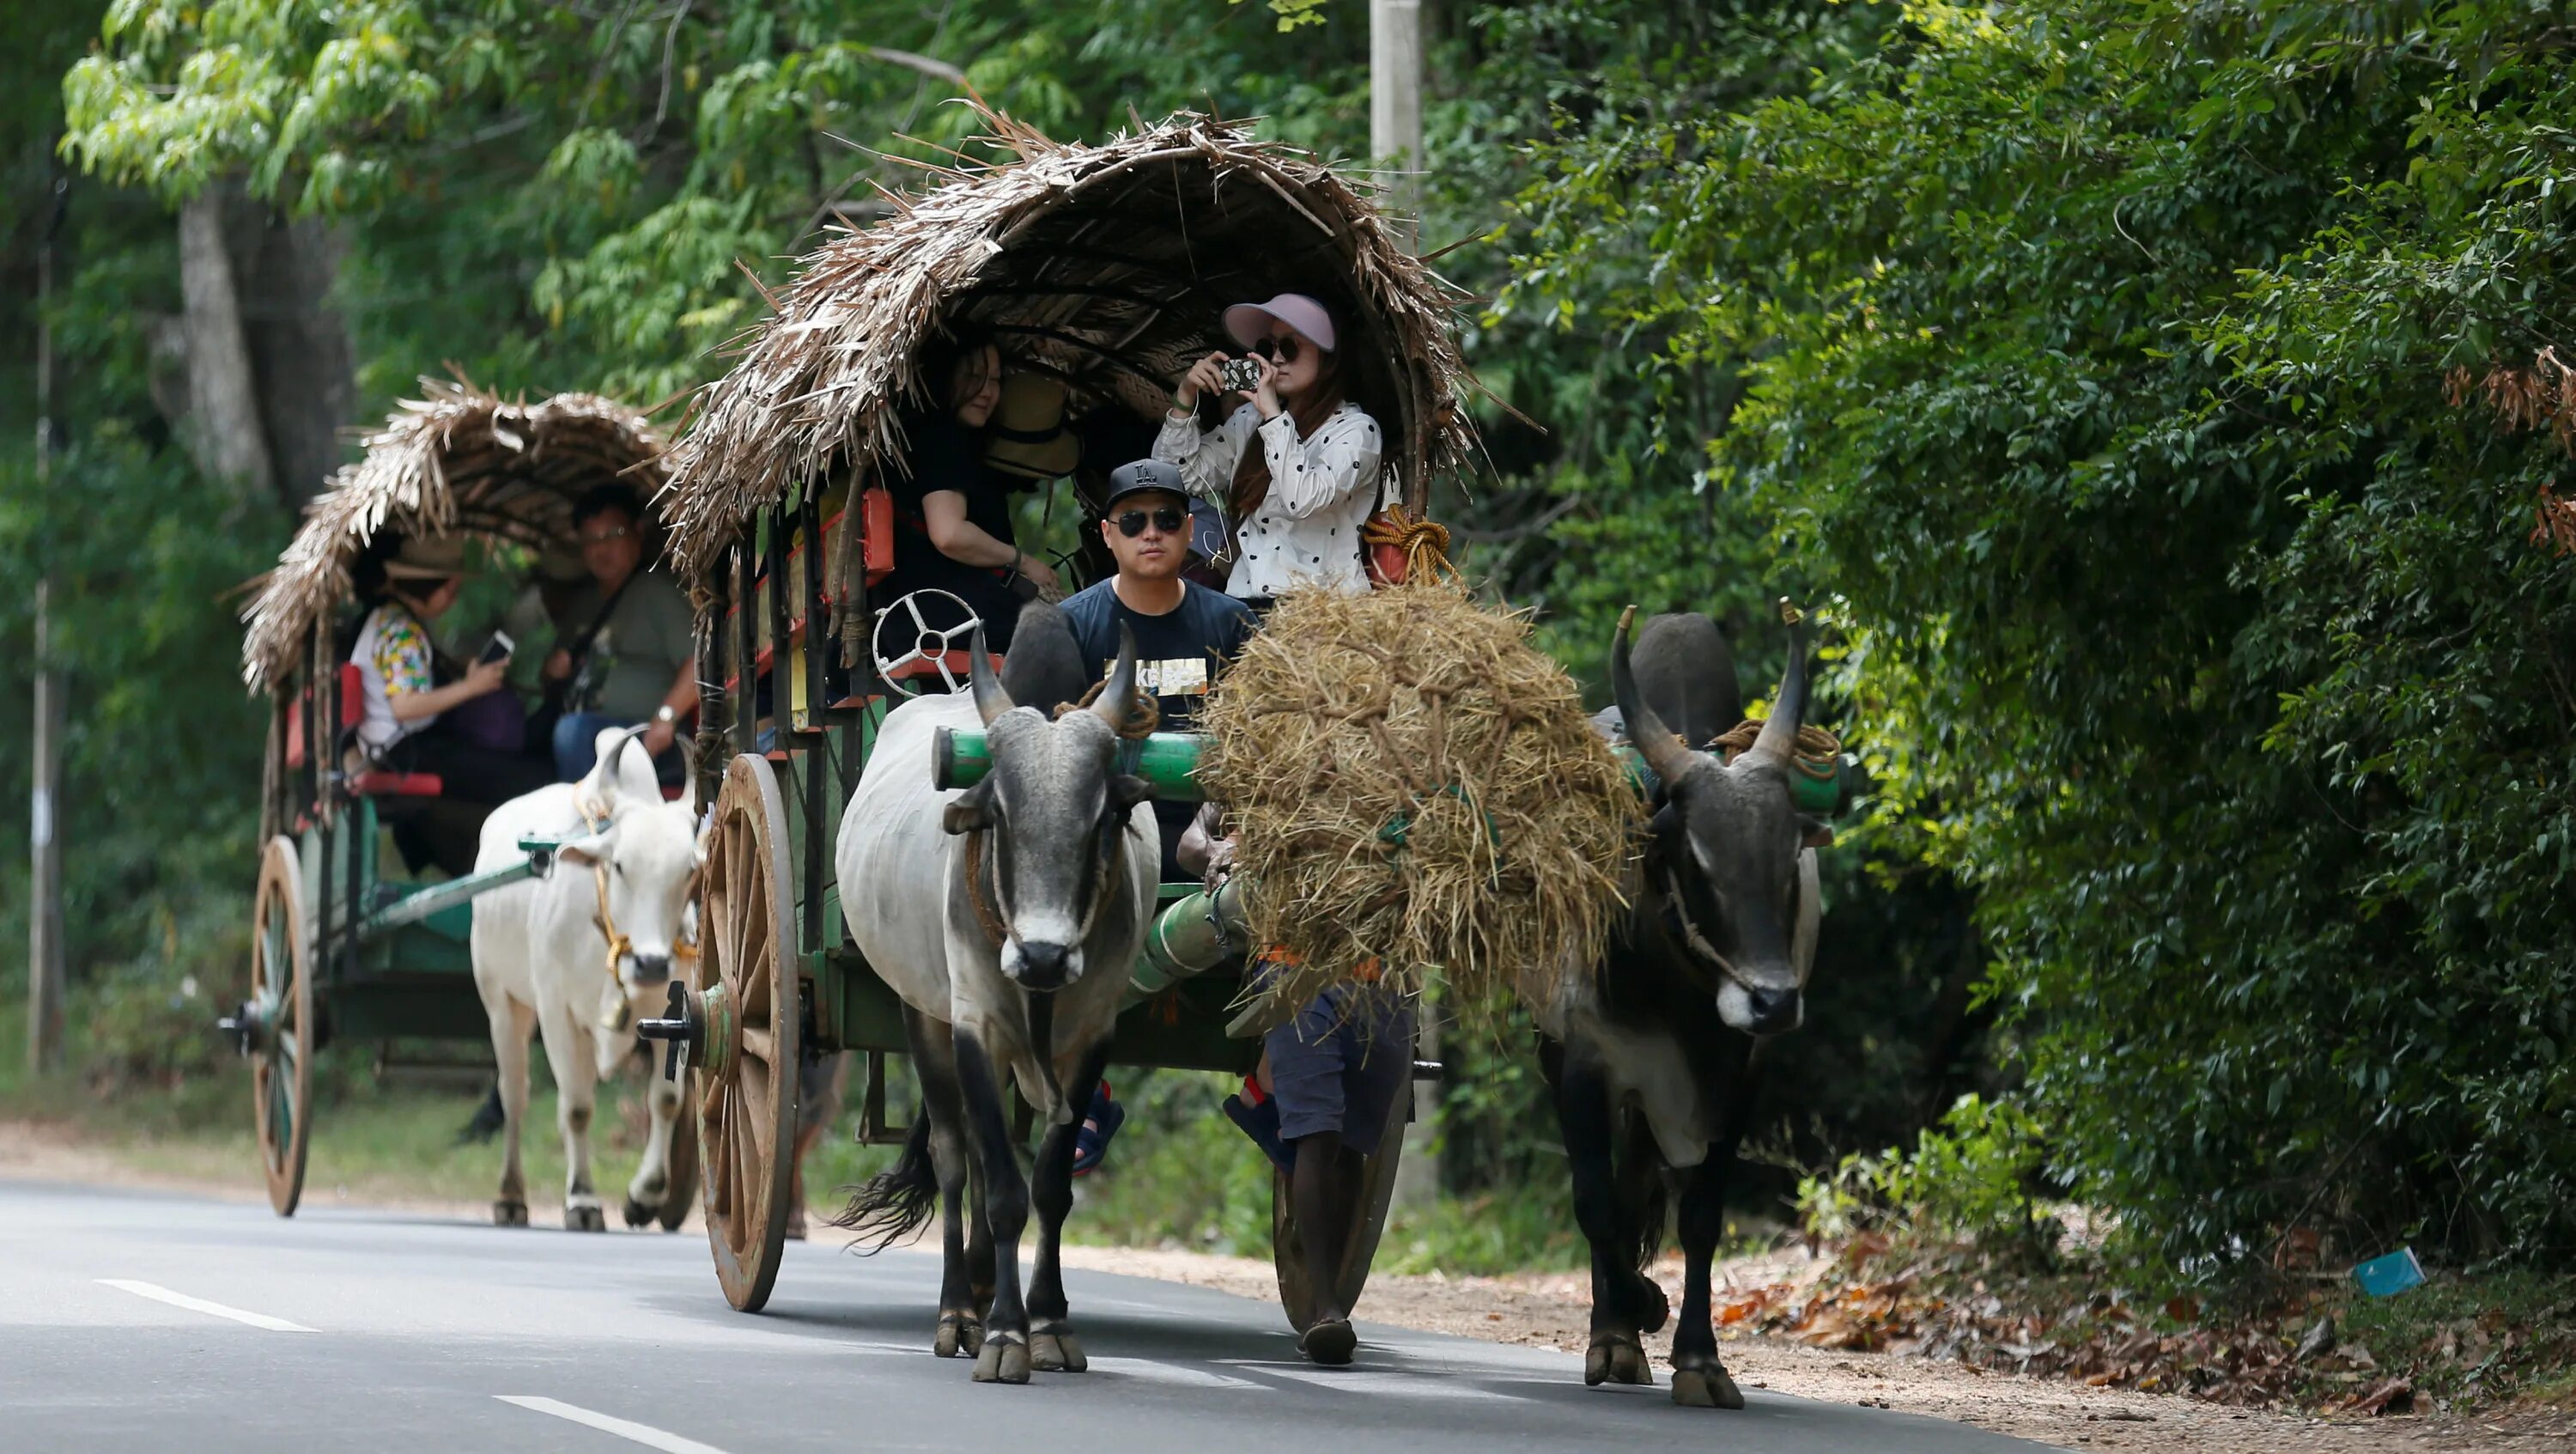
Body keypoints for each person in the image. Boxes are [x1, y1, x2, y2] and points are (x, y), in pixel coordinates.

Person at [1055, 459, 1258, 1181]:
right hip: (1103, 836)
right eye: (1134, 521)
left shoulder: (1231, 625)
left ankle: (1275, 1085)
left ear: (1189, 532)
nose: (1151, 533)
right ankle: (1082, 1087)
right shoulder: (1073, 625)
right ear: (1108, 535)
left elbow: (1264, 745)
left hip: (1206, 840)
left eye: (1167, 520)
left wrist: (1233, 835)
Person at [1155, 293, 1385, 608]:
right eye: (1269, 347)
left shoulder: (1358, 430)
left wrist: (1274, 418)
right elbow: (1173, 478)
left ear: (1328, 358)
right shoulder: (1250, 420)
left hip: (1323, 611)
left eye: (1290, 348)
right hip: (1244, 605)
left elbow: (1301, 499)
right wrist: (1185, 397)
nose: (1276, 359)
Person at [349, 536, 554, 875]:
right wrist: (470, 687)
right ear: (436, 589)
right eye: (452, 589)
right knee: (536, 777)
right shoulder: (402, 631)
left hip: (398, 747)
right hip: (406, 752)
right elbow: (405, 706)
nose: (453, 598)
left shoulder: (386, 619)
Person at [879, 332, 1060, 656]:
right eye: (974, 377)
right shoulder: (944, 437)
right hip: (949, 617)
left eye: (995, 380)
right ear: (944, 377)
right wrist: (1025, 562)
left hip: (915, 617)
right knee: (1079, 630)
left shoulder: (914, 439)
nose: (988, 392)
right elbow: (949, 534)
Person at [543, 484, 701, 783]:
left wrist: (664, 719)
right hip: (579, 730)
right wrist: (552, 671)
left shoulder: (658, 593)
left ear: (637, 531)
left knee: (571, 732)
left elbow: (697, 660)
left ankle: (587, 824)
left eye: (612, 535)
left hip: (646, 740)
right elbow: (547, 678)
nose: (601, 549)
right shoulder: (584, 603)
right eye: (591, 540)